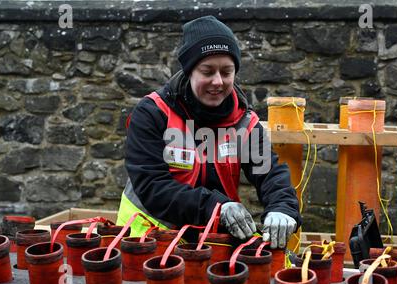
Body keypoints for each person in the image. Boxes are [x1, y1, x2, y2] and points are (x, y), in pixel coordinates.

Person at [117, 15, 301, 249]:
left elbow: (270, 174)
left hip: (213, 242)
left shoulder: (244, 121)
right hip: (148, 240)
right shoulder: (153, 113)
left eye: (226, 72)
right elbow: (153, 187)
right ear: (189, 70)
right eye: (207, 71)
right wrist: (218, 207)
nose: (218, 81)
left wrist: (282, 208)